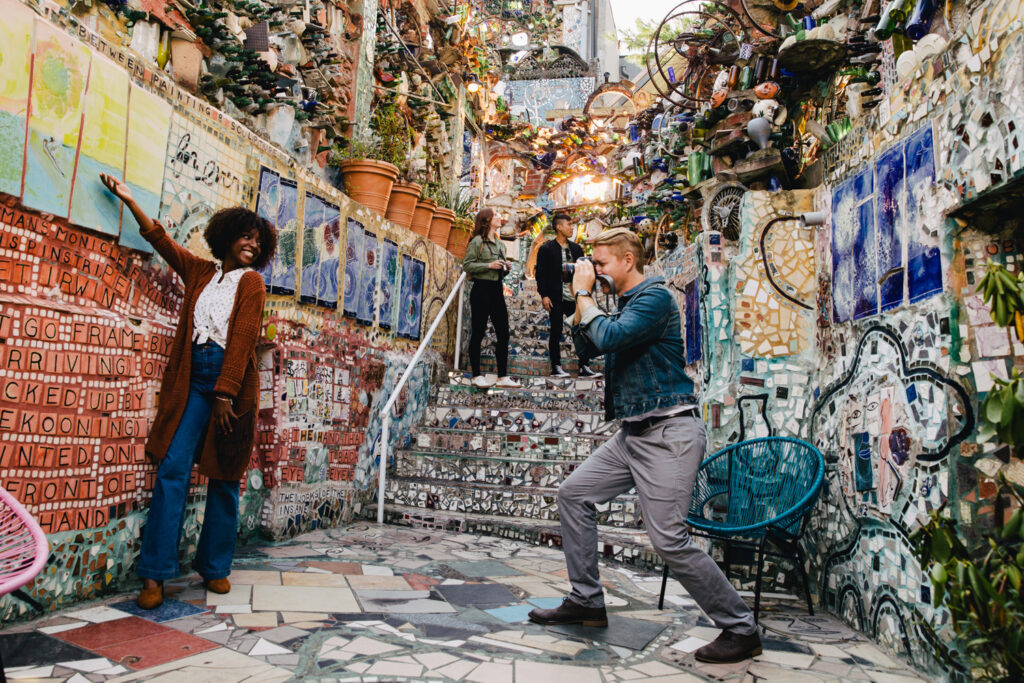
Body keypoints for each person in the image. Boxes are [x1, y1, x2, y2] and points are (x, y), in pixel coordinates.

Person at [527, 228, 761, 664]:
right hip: (632, 434)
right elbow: (592, 346)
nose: (595, 270)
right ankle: (587, 601)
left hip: (668, 432)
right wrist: (580, 305)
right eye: (592, 264)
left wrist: (585, 298)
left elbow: (611, 338)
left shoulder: (654, 299)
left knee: (668, 538)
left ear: (628, 261)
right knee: (573, 495)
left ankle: (740, 628)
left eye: (601, 264)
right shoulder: (624, 305)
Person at [100, 173, 277, 610]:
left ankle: (215, 567)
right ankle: (154, 575)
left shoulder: (251, 283)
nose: (251, 245)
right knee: (173, 469)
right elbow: (164, 243)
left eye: (258, 241)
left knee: (224, 477)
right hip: (193, 380)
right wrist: (129, 199)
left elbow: (243, 338)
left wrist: (225, 394)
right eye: (244, 237)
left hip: (231, 389)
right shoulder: (203, 272)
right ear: (227, 238)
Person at [534, 213, 600, 378]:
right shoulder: (546, 249)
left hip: (575, 297)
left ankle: (584, 367)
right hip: (556, 297)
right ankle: (556, 367)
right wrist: (544, 295)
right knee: (556, 332)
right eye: (569, 224)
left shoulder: (576, 249)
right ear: (559, 227)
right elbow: (540, 274)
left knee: (581, 331)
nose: (572, 227)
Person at [463, 208, 521, 389]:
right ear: (487, 220)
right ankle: (476, 375)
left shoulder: (500, 245)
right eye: (496, 215)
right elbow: (467, 265)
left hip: (496, 290)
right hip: (481, 289)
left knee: (503, 332)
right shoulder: (478, 242)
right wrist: (489, 265)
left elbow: (499, 273)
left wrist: (505, 268)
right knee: (478, 331)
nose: (500, 217)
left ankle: (502, 376)